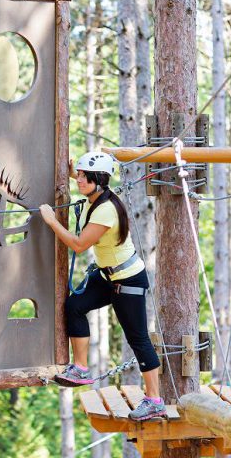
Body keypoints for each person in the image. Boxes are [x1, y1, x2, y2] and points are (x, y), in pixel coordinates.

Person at [39, 152, 167, 421]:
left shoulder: (106, 209)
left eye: (85, 177)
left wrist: (51, 221)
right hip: (108, 276)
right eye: (80, 176)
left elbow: (78, 244)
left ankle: (155, 400)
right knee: (75, 305)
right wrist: (76, 170)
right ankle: (81, 368)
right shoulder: (96, 195)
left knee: (138, 338)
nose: (79, 181)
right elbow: (85, 180)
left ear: (99, 180)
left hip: (127, 280)